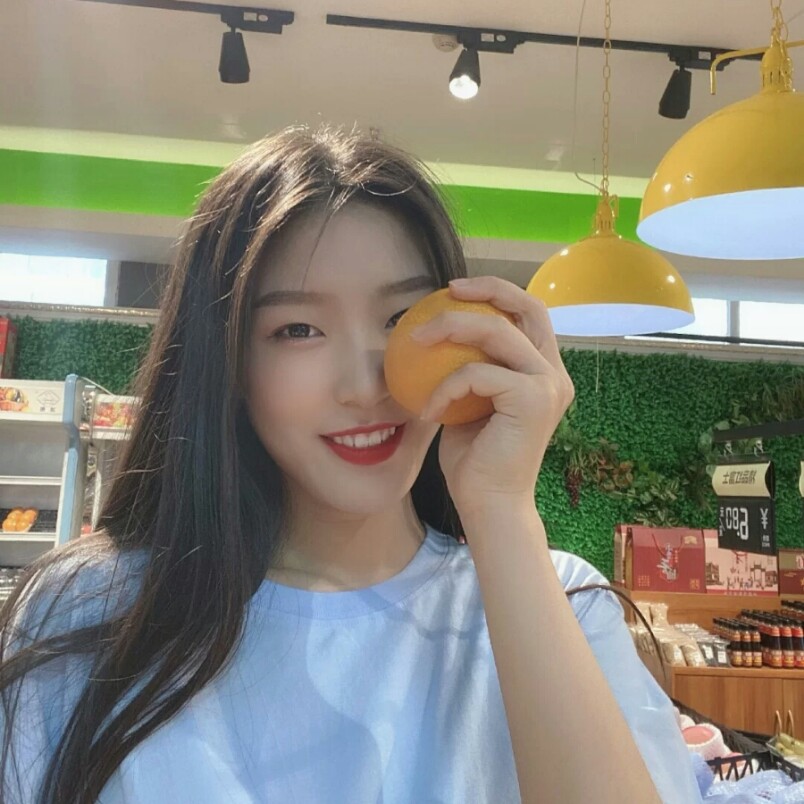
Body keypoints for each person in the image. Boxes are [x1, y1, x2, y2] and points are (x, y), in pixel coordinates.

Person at [0, 126, 702, 803]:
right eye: (297, 329)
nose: (366, 387)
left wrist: (501, 512)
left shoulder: (562, 604)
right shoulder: (91, 614)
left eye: (401, 318)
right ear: (229, 362)